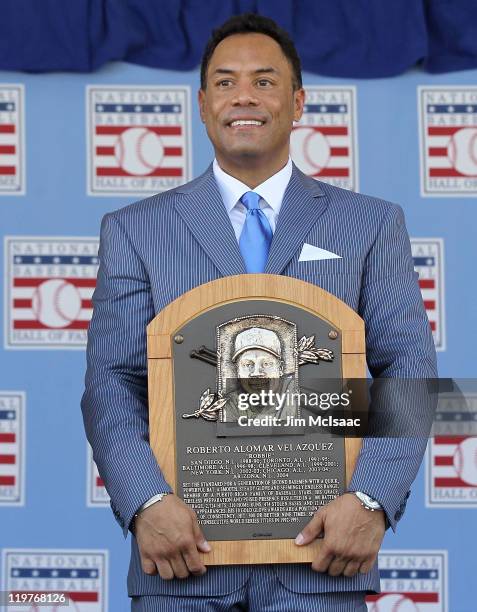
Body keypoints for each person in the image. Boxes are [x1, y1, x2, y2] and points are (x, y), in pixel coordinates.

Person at [81, 12, 437, 612]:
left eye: (264, 81)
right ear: (201, 104)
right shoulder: (135, 229)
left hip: (322, 563)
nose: (243, 95)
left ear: (298, 103)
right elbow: (108, 381)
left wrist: (372, 500)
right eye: (224, 82)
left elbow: (411, 366)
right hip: (183, 562)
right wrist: (144, 502)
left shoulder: (370, 223)